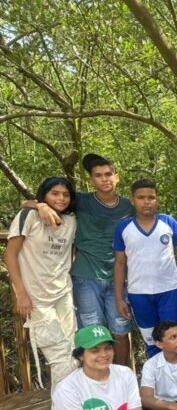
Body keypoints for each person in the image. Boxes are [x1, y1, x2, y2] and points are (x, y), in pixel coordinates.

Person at [28, 153, 134, 365]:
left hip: (118, 277)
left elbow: (149, 220)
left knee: (121, 332)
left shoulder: (129, 206)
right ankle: (96, 383)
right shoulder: (81, 201)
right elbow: (33, 202)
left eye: (108, 174)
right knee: (93, 334)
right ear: (91, 180)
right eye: (98, 175)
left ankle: (123, 380)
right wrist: (41, 206)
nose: (104, 179)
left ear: (117, 177)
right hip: (85, 277)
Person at [6, 177, 78, 407]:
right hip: (36, 299)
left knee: (72, 351)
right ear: (44, 195)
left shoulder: (72, 221)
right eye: (54, 194)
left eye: (65, 195)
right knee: (58, 354)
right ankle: (69, 409)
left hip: (63, 293)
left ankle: (64, 408)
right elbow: (10, 254)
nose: (61, 198)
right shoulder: (29, 217)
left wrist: (37, 204)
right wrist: (21, 295)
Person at [113, 179, 177, 357]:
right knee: (151, 341)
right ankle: (159, 381)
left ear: (158, 200)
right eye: (141, 197)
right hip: (139, 293)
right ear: (132, 200)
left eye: (151, 197)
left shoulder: (168, 223)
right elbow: (119, 263)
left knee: (174, 339)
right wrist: (119, 298)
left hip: (169, 290)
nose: (146, 201)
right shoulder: (123, 228)